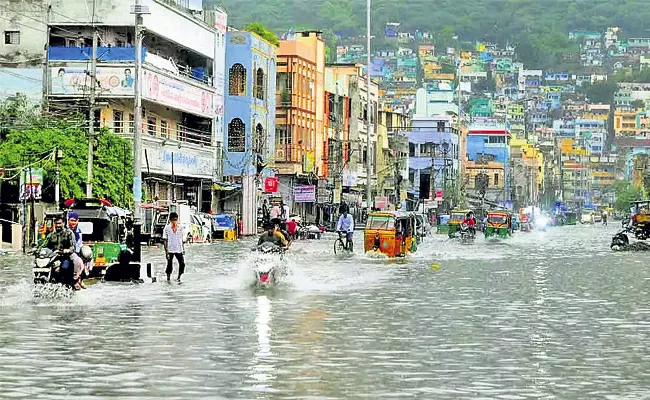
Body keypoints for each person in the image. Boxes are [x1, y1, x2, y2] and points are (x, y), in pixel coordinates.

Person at [43, 215, 76, 280]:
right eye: (56, 223)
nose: (57, 225)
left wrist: (66, 250)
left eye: (59, 223)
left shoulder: (69, 233)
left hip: (65, 257)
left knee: (64, 267)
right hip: (52, 258)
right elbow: (44, 246)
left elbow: (73, 247)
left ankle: (66, 284)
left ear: (63, 223)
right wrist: (37, 250)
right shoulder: (51, 235)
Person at [67, 212, 89, 289]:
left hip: (74, 251)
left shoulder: (78, 231)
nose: (73, 223)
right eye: (71, 220)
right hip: (63, 250)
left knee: (81, 261)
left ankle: (78, 279)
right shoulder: (65, 230)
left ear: (77, 221)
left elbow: (79, 243)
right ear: (68, 220)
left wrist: (76, 251)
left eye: (74, 221)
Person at [163, 212, 185, 282]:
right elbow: (165, 240)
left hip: (179, 248)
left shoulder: (180, 228)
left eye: (176, 220)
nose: (174, 221)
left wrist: (183, 249)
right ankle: (168, 278)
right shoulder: (167, 228)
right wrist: (166, 252)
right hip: (170, 249)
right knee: (169, 264)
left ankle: (179, 277)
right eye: (173, 220)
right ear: (170, 220)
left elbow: (181, 239)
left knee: (182, 264)